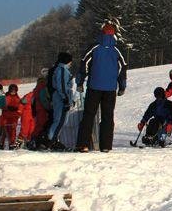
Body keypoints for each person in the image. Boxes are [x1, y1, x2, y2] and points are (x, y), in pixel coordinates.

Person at [76, 22, 128, 153]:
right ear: (113, 34)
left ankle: (83, 144)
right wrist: (122, 86)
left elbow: (84, 64)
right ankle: (106, 146)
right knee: (107, 117)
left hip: (94, 86)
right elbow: (122, 68)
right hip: (110, 88)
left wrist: (80, 82)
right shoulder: (117, 50)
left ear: (102, 33)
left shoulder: (94, 47)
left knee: (89, 115)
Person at [42, 52, 75, 150]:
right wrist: (65, 98)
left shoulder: (62, 70)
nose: (71, 63)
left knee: (61, 120)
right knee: (59, 120)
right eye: (70, 61)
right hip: (60, 97)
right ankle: (51, 140)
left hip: (61, 96)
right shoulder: (61, 70)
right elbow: (62, 86)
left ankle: (54, 139)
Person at [0, 84, 22, 149]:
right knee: (4, 130)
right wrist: (7, 108)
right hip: (6, 116)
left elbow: (20, 107)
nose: (13, 92)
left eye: (14, 91)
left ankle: (11, 144)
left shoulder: (17, 98)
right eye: (12, 91)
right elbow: (3, 105)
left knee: (12, 131)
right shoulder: (6, 97)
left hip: (14, 117)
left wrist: (18, 113)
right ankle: (1, 143)